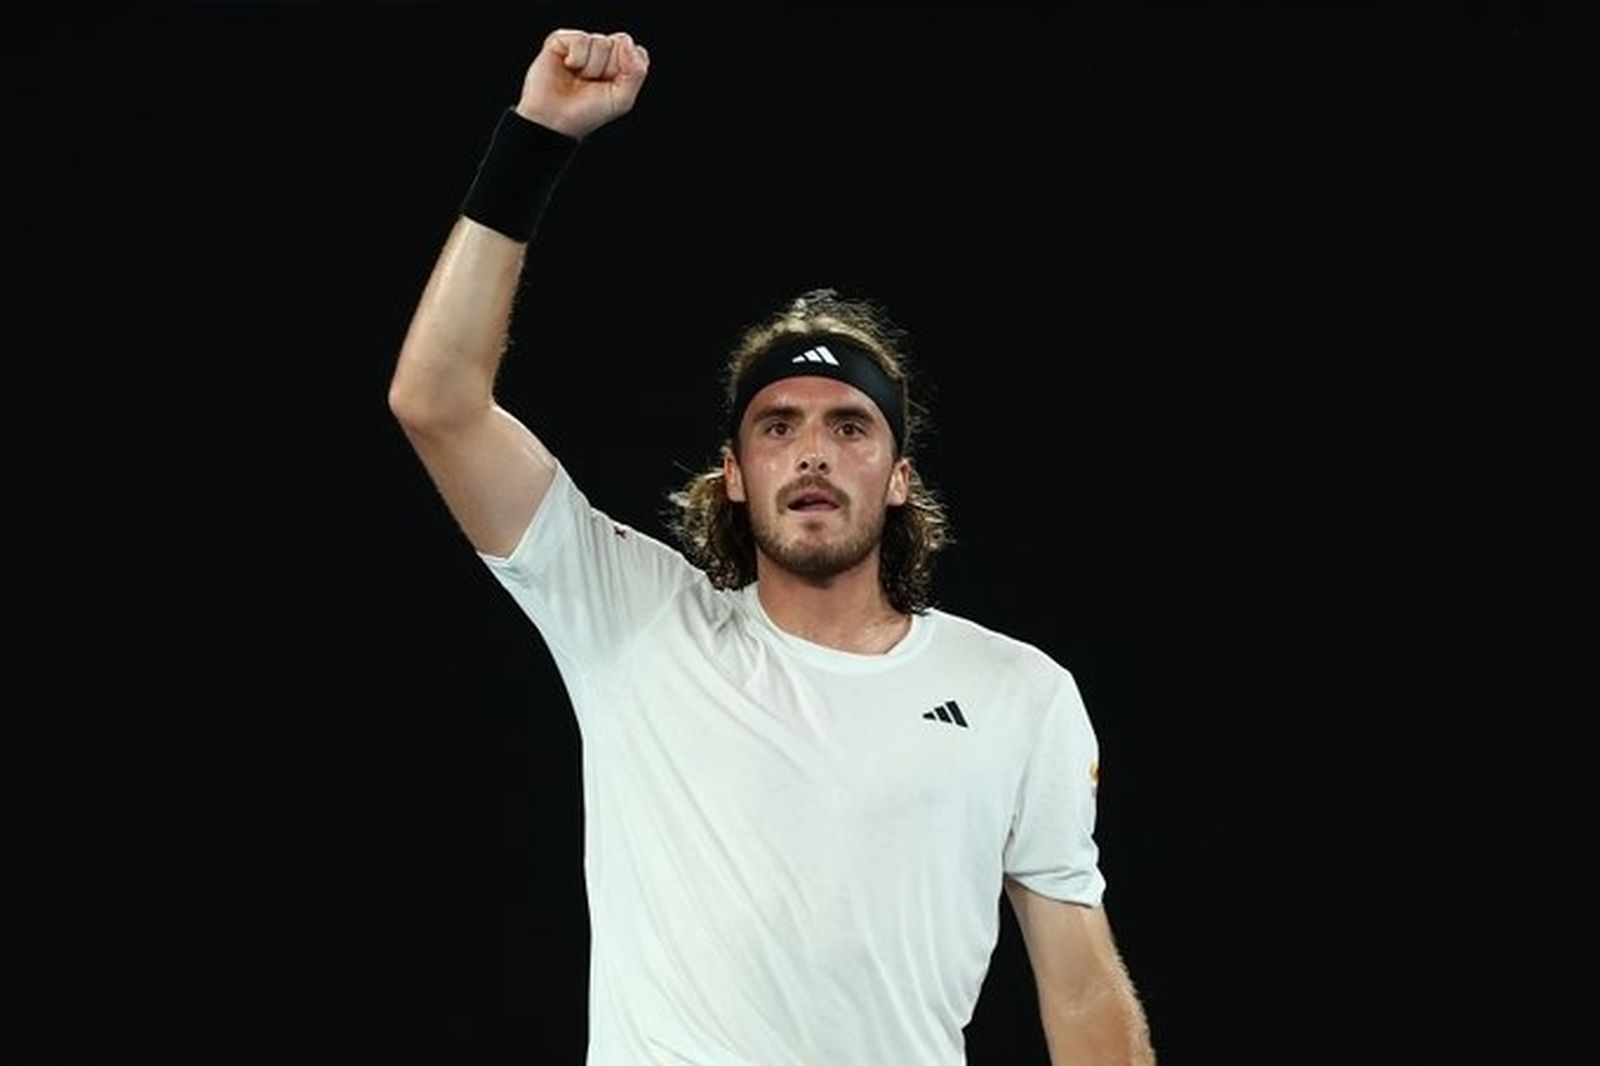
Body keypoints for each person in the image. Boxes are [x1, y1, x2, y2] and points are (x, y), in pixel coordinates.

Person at [388, 26, 1156, 1066]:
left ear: (897, 481)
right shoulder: (632, 619)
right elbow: (436, 400)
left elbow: (1078, 993)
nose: (811, 453)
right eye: (776, 425)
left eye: (849, 427)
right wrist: (535, 138)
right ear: (735, 474)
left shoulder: (1020, 693)